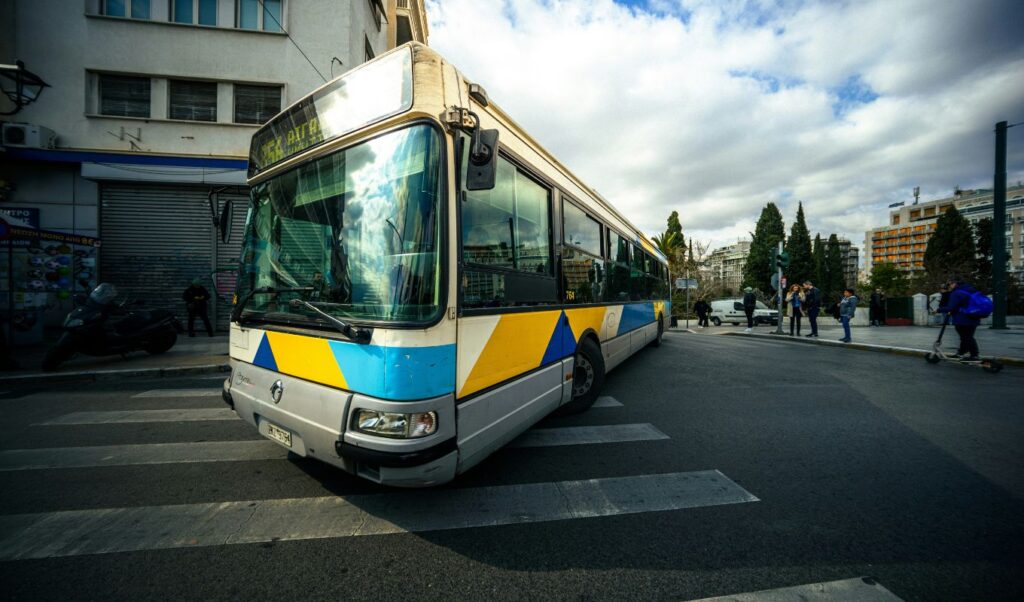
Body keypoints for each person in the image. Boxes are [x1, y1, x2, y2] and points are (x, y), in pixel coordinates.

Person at [937, 278, 982, 362]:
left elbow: (951, 307)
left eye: (949, 285)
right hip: (974, 316)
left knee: (966, 337)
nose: (949, 287)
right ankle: (961, 352)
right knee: (966, 337)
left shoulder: (957, 293)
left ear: (954, 283)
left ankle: (974, 355)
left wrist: (939, 310)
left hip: (962, 318)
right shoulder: (970, 289)